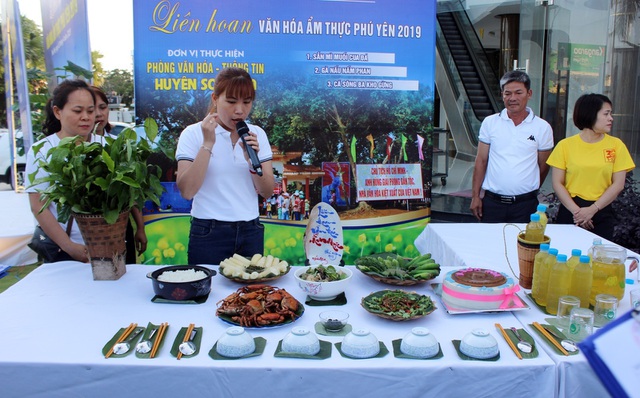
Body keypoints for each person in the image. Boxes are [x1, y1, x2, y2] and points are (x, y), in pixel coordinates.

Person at [176, 67, 275, 265]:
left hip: (250, 231)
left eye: (247, 102)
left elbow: (267, 191)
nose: (239, 110)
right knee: (208, 291)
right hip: (208, 232)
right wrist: (207, 144)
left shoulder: (257, 134)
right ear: (215, 98)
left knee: (249, 293)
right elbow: (187, 191)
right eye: (231, 102)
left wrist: (250, 159)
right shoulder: (193, 133)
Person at [25, 79, 100, 262]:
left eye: (90, 111)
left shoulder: (107, 146)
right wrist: (69, 246)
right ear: (58, 112)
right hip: (63, 250)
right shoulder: (42, 150)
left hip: (103, 244)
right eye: (78, 111)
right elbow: (38, 206)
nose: (86, 117)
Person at [547, 93, 635, 240]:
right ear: (591, 114)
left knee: (597, 259)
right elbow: (557, 183)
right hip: (571, 211)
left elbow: (618, 184)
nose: (611, 118)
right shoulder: (565, 145)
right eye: (606, 114)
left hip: (601, 211)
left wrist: (592, 210)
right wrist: (578, 212)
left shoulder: (616, 145)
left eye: (610, 114)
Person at [470, 70, 554, 223]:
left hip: (526, 205)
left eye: (518, 92)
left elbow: (543, 166)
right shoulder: (490, 123)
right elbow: (481, 161)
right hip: (492, 203)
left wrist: (528, 187)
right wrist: (475, 196)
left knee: (523, 246)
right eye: (507, 93)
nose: (513, 98)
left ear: (529, 93)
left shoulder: (543, 127)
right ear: (502, 94)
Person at [90, 85, 148, 264]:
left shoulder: (120, 144)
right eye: (92, 109)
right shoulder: (75, 147)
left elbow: (132, 192)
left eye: (103, 107)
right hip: (91, 232)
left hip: (120, 230)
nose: (98, 114)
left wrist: (140, 227)